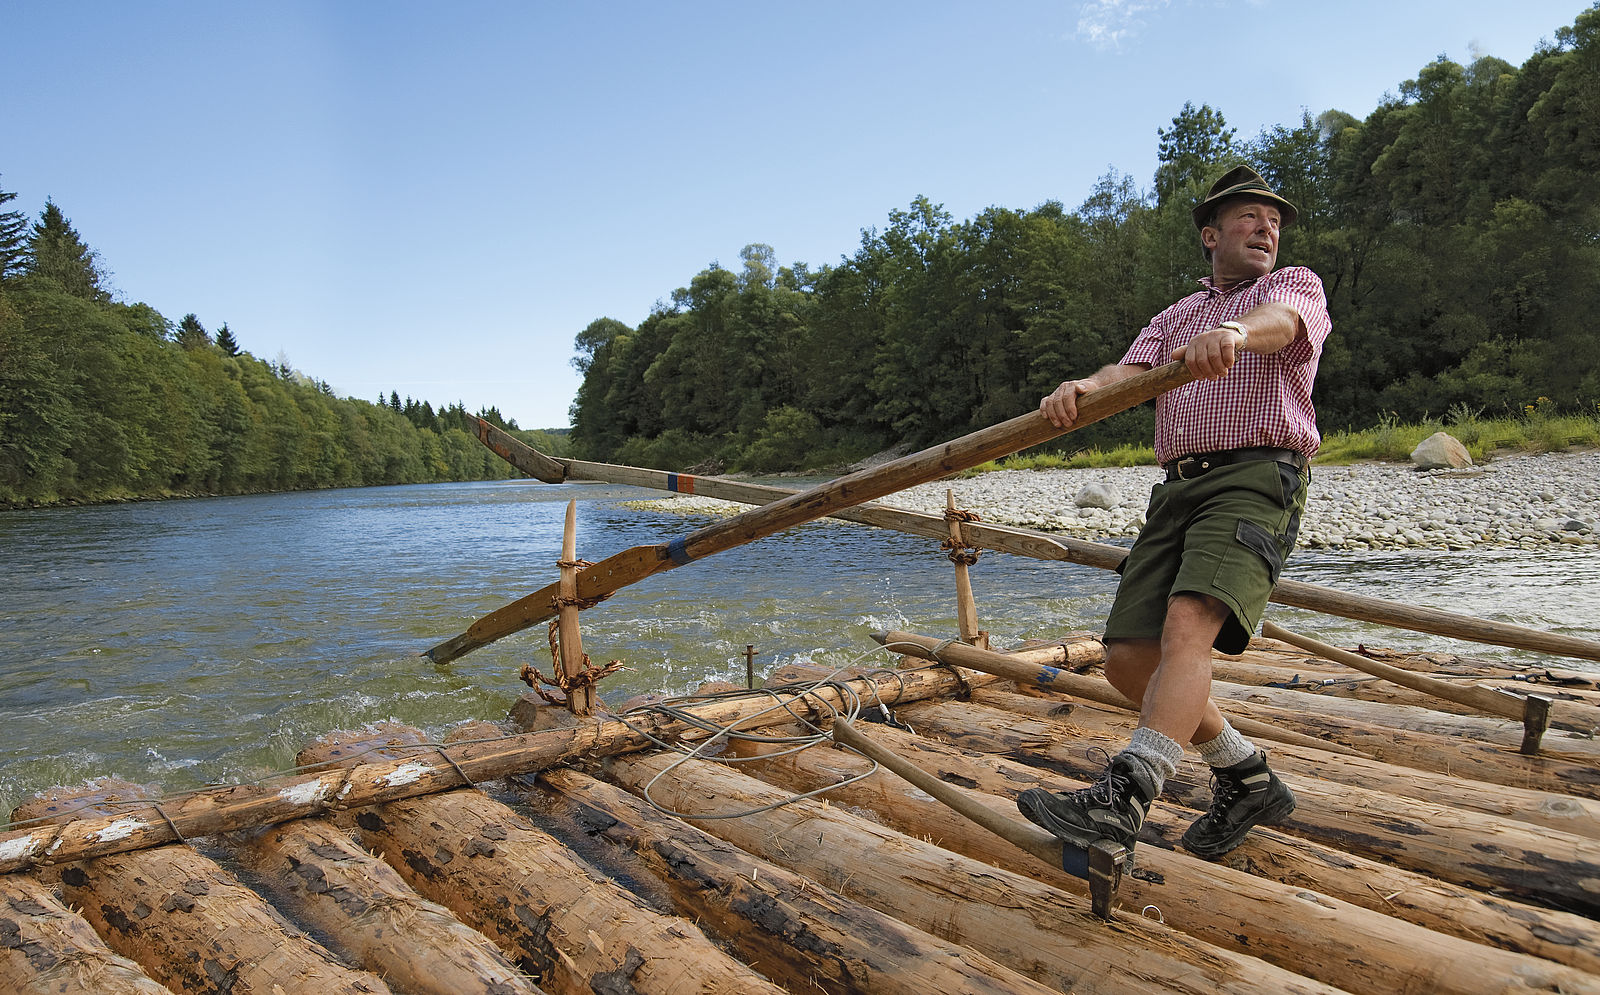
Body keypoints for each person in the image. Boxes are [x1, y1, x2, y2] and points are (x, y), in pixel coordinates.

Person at [1017, 164, 1332, 863]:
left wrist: (1235, 333)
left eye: (1273, 221)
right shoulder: (1173, 318)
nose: (1267, 228)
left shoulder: (1290, 287)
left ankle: (1122, 798)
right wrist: (1081, 389)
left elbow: (1281, 325)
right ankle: (1246, 773)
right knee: (1129, 659)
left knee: (1188, 627)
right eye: (1250, 217)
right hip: (1178, 485)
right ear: (1210, 234)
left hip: (1256, 476)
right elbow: (1128, 375)